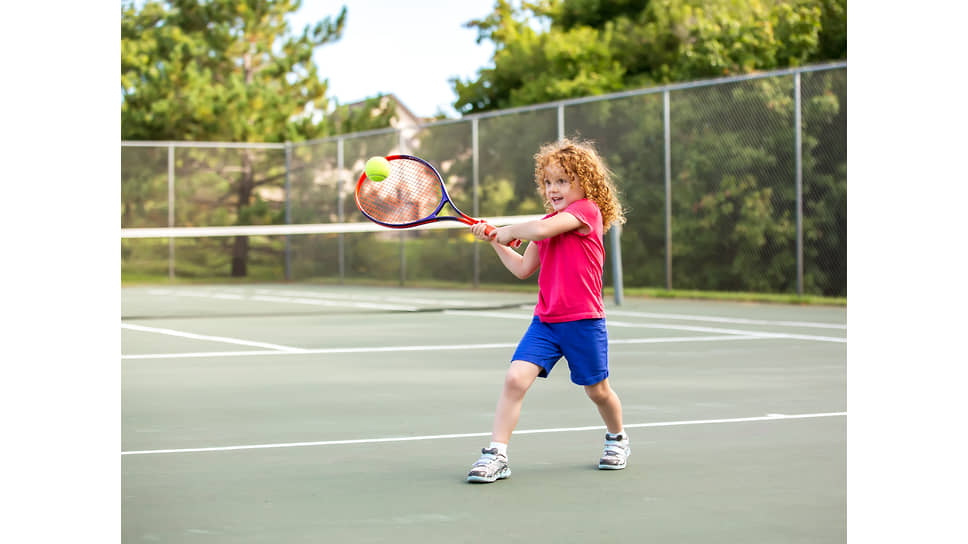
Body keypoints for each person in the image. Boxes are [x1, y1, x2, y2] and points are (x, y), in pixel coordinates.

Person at [466, 138, 629, 483]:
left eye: (563, 181)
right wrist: (497, 241)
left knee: (598, 391)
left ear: (585, 183)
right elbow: (524, 268)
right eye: (548, 182)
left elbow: (538, 229)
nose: (553, 189)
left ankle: (617, 439)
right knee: (514, 379)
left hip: (583, 322)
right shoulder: (547, 223)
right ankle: (496, 454)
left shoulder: (586, 212)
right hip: (546, 322)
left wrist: (506, 230)